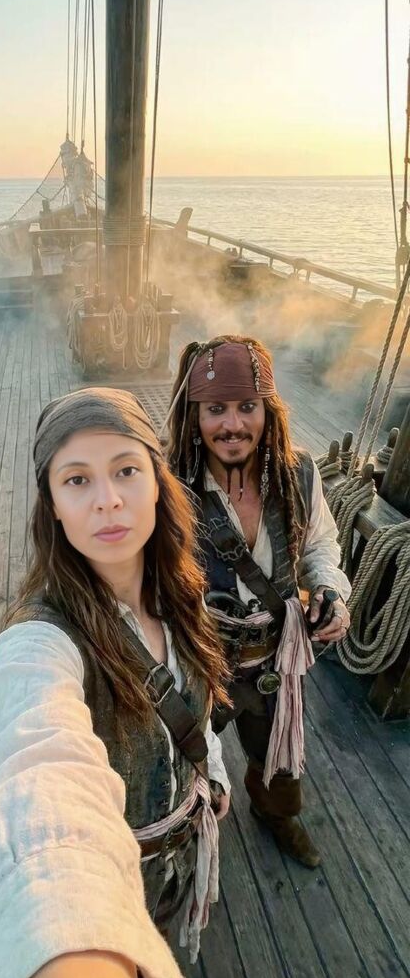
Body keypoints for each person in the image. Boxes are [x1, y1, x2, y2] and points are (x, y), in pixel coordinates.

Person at [0, 387, 231, 978]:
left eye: (126, 470)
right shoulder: (40, 641)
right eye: (77, 480)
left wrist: (212, 773)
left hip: (181, 839)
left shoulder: (180, 592)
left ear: (157, 484)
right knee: (127, 936)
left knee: (159, 925)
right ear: (54, 507)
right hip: (112, 864)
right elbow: (40, 757)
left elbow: (196, 711)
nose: (107, 500)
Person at [166, 335, 352, 869]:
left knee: (278, 755)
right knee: (179, 760)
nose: (233, 424)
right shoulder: (170, 485)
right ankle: (179, 838)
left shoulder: (299, 474)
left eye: (247, 406)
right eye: (215, 409)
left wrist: (330, 591)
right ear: (195, 414)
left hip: (272, 659)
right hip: (196, 657)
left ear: (268, 410)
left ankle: (276, 815)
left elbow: (319, 544)